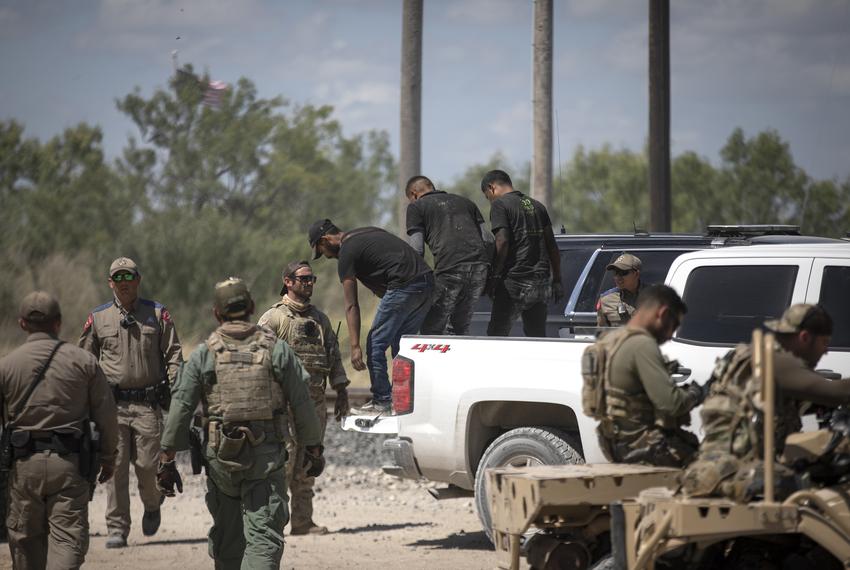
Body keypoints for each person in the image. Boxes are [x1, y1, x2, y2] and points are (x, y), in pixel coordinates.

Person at [159, 277, 323, 569]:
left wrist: (168, 457)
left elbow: (181, 406)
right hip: (266, 459)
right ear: (251, 307)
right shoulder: (277, 350)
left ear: (216, 313)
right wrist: (313, 448)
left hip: (222, 459)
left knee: (228, 537)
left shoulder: (204, 353)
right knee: (263, 538)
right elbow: (302, 402)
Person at [683, 304, 850, 501]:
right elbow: (835, 393)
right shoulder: (776, 362)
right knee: (822, 492)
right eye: (824, 343)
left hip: (721, 467)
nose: (826, 352)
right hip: (736, 474)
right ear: (804, 337)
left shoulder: (756, 354)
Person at [1, 291, 118, 569]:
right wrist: (109, 457)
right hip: (70, 465)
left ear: (22, 323)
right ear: (58, 323)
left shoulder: (6, 365)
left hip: (23, 467)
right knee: (67, 540)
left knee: (26, 540)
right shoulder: (84, 362)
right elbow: (107, 415)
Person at [78, 256, 182, 548]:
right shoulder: (98, 318)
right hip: (112, 407)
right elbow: (83, 361)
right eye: (118, 278)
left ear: (138, 280)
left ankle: (152, 503)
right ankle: (117, 527)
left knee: (149, 467)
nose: (124, 283)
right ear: (110, 283)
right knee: (115, 467)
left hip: (148, 405)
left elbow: (174, 354)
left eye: (129, 277)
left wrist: (178, 389)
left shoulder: (157, 314)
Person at [257, 260, 350, 536]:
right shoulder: (273, 319)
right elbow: (258, 361)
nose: (309, 284)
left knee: (309, 463)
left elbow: (333, 357)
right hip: (282, 406)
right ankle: (272, 523)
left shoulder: (319, 320)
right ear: (288, 281)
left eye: (312, 279)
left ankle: (302, 522)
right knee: (281, 465)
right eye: (304, 279)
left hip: (314, 405)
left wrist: (342, 391)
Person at [309, 218, 433, 414]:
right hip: (426, 284)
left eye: (321, 251)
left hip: (404, 285)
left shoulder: (347, 252)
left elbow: (351, 305)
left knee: (375, 343)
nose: (325, 256)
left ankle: (382, 401)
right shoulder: (366, 232)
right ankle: (405, 400)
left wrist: (355, 346)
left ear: (325, 240)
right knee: (402, 346)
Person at [595, 284, 703, 468]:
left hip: (613, 442)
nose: (670, 336)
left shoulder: (610, 340)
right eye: (673, 325)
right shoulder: (642, 345)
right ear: (663, 314)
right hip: (642, 446)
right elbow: (672, 404)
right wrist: (697, 393)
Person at [405, 175, 492, 335]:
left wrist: (411, 282)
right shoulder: (466, 202)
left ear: (413, 194)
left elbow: (417, 249)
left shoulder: (416, 207)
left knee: (431, 329)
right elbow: (487, 240)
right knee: (459, 328)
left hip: (450, 270)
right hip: (480, 269)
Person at [480, 169, 562, 337]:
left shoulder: (500, 205)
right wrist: (557, 280)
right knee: (536, 336)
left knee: (497, 335)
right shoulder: (538, 206)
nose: (489, 200)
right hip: (540, 283)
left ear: (491, 187)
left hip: (514, 282)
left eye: (487, 196)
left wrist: (494, 277)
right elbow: (552, 246)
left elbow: (502, 241)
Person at [597, 253, 643, 327]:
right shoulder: (606, 300)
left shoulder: (655, 296)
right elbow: (602, 333)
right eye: (615, 273)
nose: (618, 278)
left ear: (636, 274)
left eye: (623, 273)